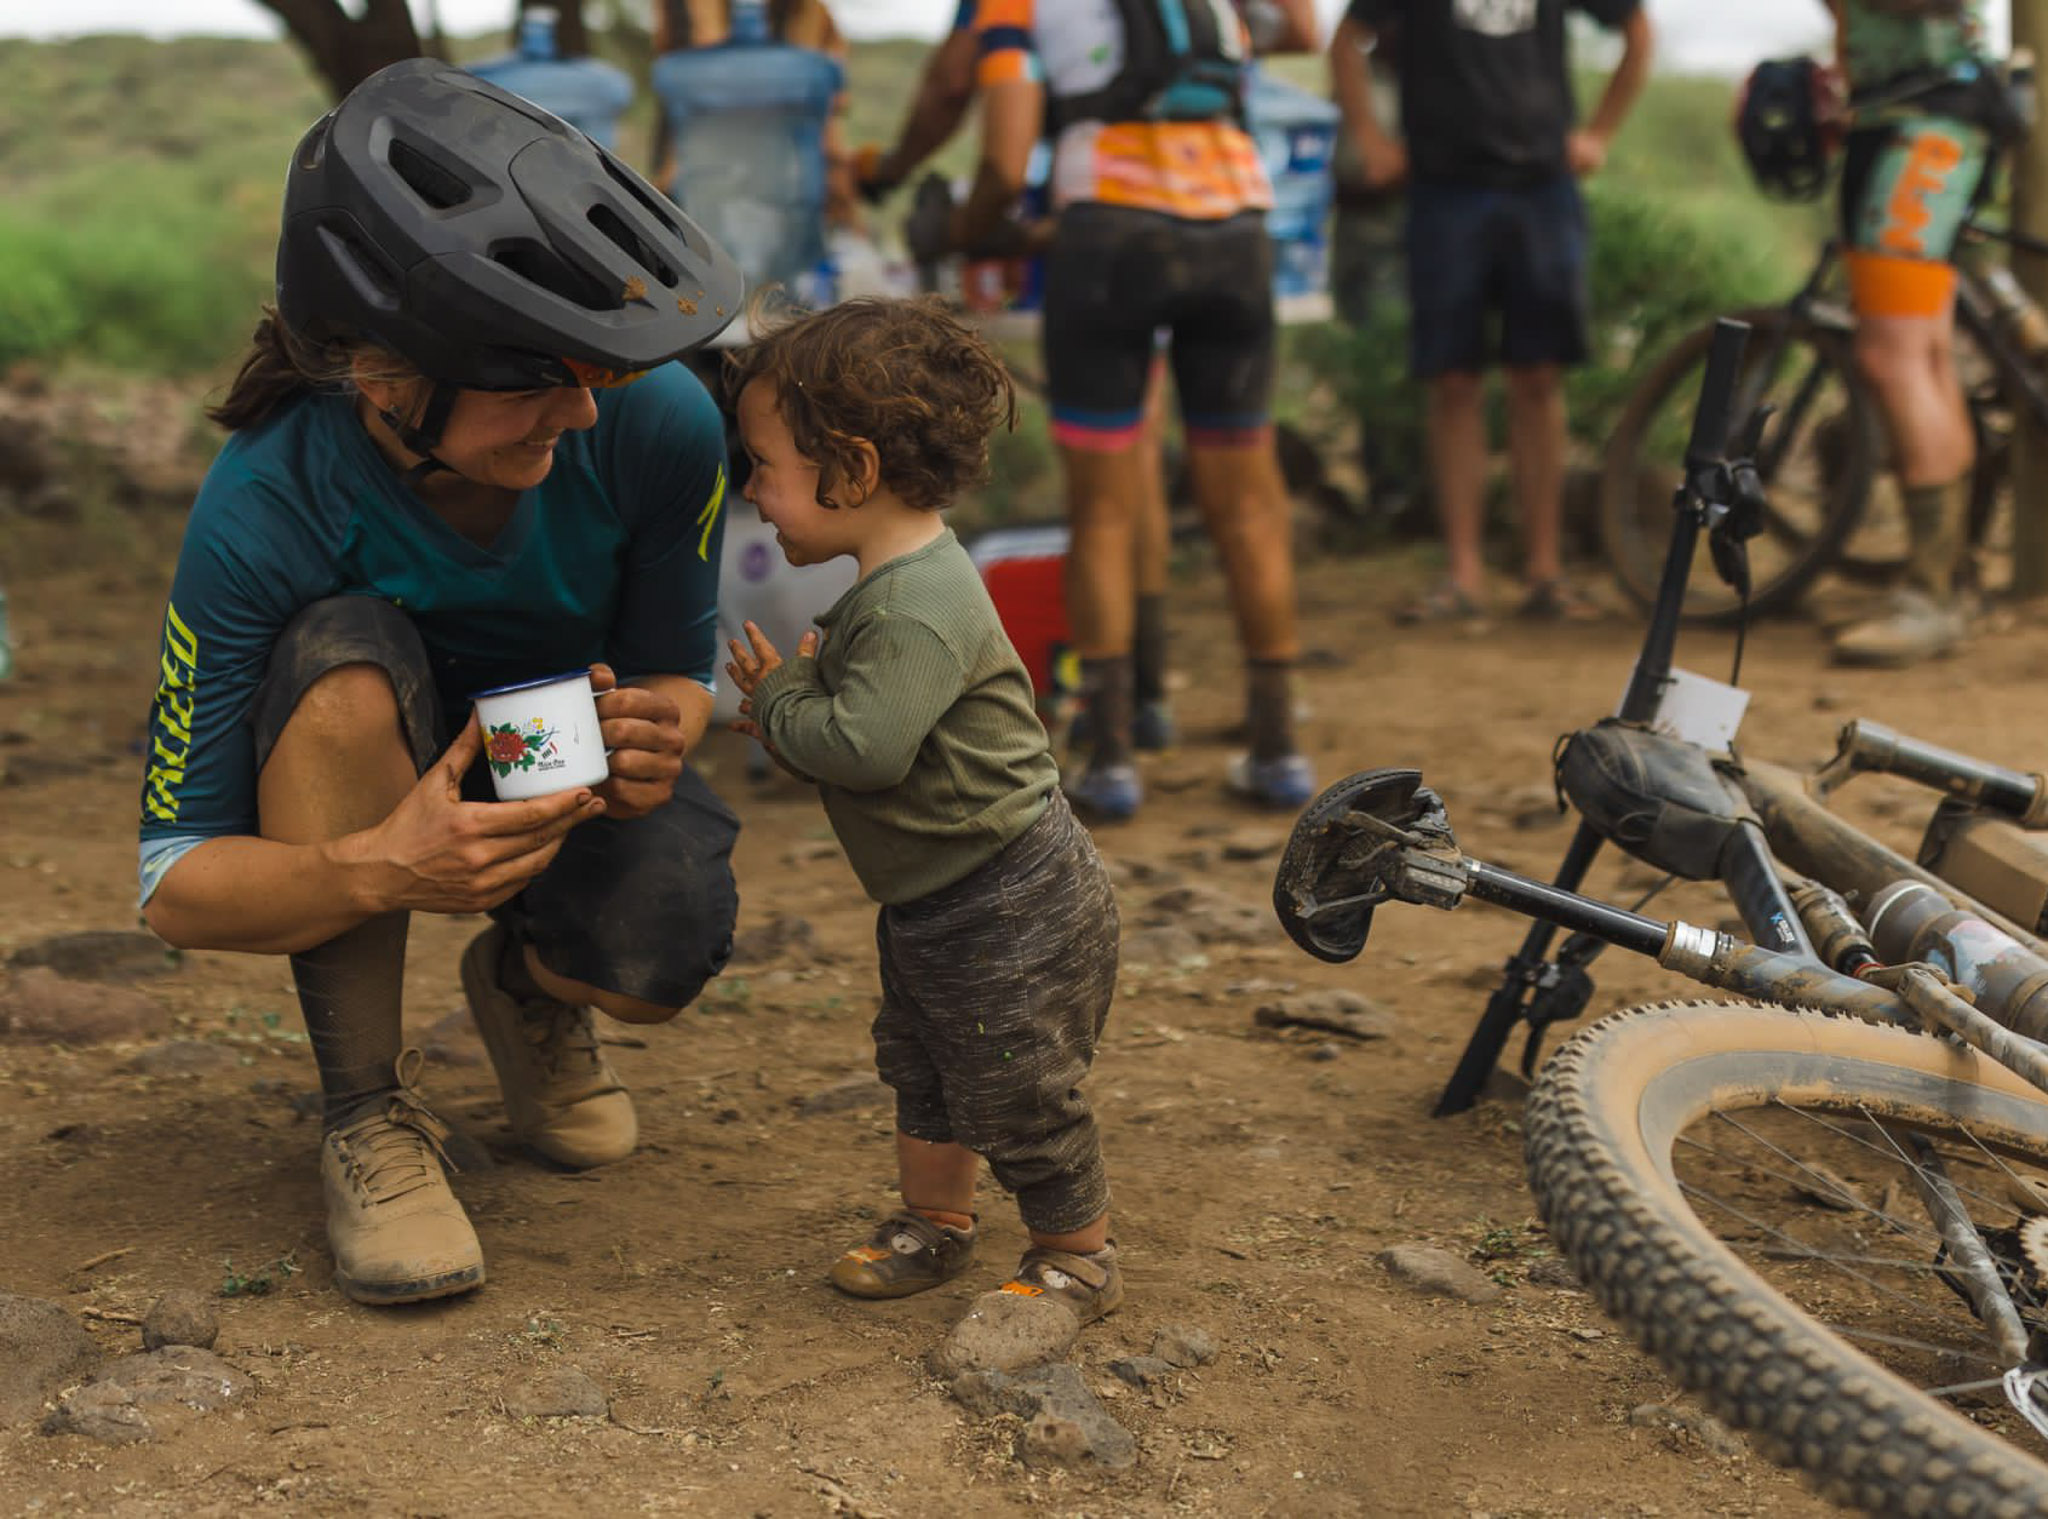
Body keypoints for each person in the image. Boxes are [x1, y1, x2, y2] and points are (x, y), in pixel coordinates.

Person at [137, 59, 745, 1307]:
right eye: (533, 380)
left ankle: (526, 986)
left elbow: (676, 674)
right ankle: (366, 1113)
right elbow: (175, 888)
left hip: (542, 748)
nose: (579, 413)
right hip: (376, 773)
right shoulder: (264, 500)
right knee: (344, 661)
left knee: (657, 939)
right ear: (381, 373)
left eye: (592, 369)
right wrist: (381, 869)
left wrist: (655, 729)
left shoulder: (658, 422)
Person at [722, 297, 1126, 1333]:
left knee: (1015, 1080)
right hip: (939, 896)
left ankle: (1077, 1254)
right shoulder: (892, 588)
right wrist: (802, 705)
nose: (753, 491)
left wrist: (778, 704)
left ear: (850, 471)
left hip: (1005, 897)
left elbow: (864, 748)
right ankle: (934, 1217)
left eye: (762, 464)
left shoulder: (909, 607)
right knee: (924, 1062)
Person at [940, 0, 1317, 820]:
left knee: (1104, 510)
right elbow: (1306, 29)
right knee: (1251, 501)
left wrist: (978, 230)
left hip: (1109, 232)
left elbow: (1005, 159)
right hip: (1238, 227)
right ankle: (1278, 747)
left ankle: (1111, 759)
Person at [1331, 0, 1653, 624]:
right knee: (1453, 380)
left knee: (1538, 376)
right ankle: (1463, 575)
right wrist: (1371, 140)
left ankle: (1545, 573)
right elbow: (1346, 39)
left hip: (1541, 187)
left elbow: (1637, 30)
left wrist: (1598, 136)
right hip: (1444, 188)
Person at [1825, 0, 1999, 666]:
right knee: (1923, 356)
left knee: (1893, 357)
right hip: (1894, 116)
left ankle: (1931, 595)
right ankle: (1945, 583)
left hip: (1928, 123)